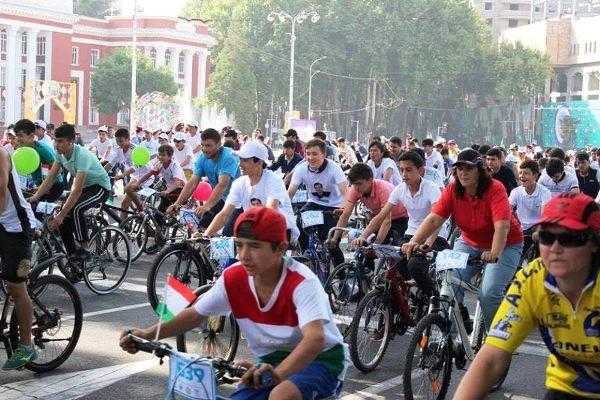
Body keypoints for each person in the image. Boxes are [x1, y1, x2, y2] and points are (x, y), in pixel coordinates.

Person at [120, 207, 347, 400]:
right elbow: (196, 314)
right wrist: (147, 334)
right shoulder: (233, 277)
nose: (243, 255)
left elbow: (315, 339)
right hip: (270, 361)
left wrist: (277, 375)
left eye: (254, 246)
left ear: (280, 248)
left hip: (323, 360)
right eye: (239, 245)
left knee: (281, 395)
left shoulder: (302, 282)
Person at [455, 193, 600, 400]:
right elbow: (491, 359)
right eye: (546, 237)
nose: (555, 248)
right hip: (567, 389)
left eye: (569, 239)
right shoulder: (532, 278)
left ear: (594, 243)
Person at [402, 148, 524, 332]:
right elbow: (434, 219)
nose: (463, 173)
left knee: (488, 294)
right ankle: (449, 338)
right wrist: (414, 241)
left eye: (469, 168)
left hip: (505, 245)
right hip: (469, 242)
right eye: (459, 168)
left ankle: (496, 340)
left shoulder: (495, 188)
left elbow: (502, 227)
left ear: (479, 170)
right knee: (449, 287)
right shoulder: (453, 189)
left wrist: (494, 253)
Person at [364, 151, 449, 296]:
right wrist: (363, 236)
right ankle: (409, 298)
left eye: (409, 170)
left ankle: (433, 298)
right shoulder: (399, 189)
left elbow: (437, 220)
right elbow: (381, 216)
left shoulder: (431, 188)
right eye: (401, 170)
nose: (404, 174)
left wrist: (427, 244)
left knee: (415, 265)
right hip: (411, 234)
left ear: (420, 170)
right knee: (395, 262)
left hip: (435, 235)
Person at [29, 124, 111, 264]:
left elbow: (76, 190)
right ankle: (72, 255)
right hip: (86, 187)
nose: (56, 145)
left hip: (100, 187)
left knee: (76, 209)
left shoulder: (82, 155)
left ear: (71, 141)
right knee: (63, 217)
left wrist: (60, 216)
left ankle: (85, 249)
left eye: (60, 141)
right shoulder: (59, 154)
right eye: (55, 140)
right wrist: (35, 197)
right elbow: (50, 178)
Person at [203, 141, 299, 242]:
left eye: (245, 160)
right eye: (240, 160)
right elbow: (224, 214)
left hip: (281, 231)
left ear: (259, 162)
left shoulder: (274, 180)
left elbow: (270, 211)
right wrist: (205, 236)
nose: (240, 164)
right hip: (256, 230)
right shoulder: (239, 183)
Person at [0, 146, 38, 370]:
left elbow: (1, 194)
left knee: (16, 287)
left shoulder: (1, 155)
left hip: (17, 227)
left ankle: (26, 346)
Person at [288, 139, 347, 267]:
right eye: (308, 154)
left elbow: (346, 193)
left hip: (333, 206)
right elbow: (290, 193)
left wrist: (343, 208)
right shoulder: (301, 169)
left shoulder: (334, 169)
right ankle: (305, 256)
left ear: (323, 154)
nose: (310, 158)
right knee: (300, 223)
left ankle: (341, 275)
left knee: (331, 243)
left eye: (315, 154)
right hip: (313, 203)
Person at [166, 128, 240, 231]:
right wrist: (177, 204)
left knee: (228, 232)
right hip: (222, 198)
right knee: (203, 227)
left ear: (219, 144)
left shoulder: (228, 157)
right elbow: (192, 183)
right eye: (203, 145)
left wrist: (207, 206)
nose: (205, 149)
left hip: (239, 200)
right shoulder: (202, 158)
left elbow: (222, 185)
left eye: (208, 145)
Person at [333, 162, 408, 245]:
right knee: (367, 245)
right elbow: (345, 215)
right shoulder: (355, 189)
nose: (356, 188)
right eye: (354, 184)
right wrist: (334, 239)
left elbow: (386, 221)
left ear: (370, 180)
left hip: (400, 218)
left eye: (359, 184)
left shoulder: (383, 189)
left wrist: (376, 245)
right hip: (378, 218)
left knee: (387, 246)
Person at [13, 119, 65, 201]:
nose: (18, 139)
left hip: (54, 186)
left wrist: (42, 187)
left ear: (31, 136)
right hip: (38, 186)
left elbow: (58, 170)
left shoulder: (42, 149)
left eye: (21, 135)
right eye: (16, 135)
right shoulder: (21, 150)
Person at [103, 128, 152, 216]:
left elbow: (135, 167)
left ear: (128, 139)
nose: (119, 143)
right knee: (124, 205)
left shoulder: (135, 149)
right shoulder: (118, 149)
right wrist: (100, 173)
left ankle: (142, 210)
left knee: (127, 189)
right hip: (135, 177)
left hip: (146, 176)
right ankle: (126, 224)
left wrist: (122, 175)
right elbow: (110, 164)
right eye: (117, 141)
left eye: (121, 141)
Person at [127, 144, 186, 215]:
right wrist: (137, 183)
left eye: (163, 155)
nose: (160, 157)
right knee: (159, 215)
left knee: (173, 213)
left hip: (180, 191)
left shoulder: (174, 166)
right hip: (169, 190)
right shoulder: (159, 164)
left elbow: (177, 183)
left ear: (170, 156)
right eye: (160, 154)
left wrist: (167, 191)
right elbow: (149, 174)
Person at [509, 159, 552, 257]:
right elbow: (507, 210)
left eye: (526, 173)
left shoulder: (545, 192)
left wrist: (539, 231)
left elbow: (545, 216)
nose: (522, 176)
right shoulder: (516, 192)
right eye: (520, 173)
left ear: (535, 175)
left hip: (538, 228)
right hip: (520, 229)